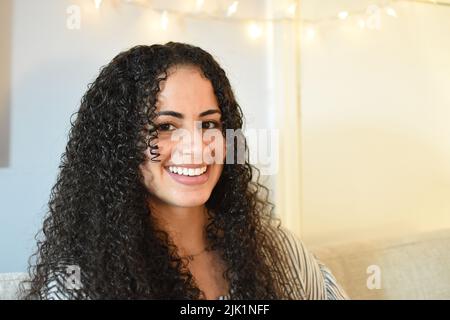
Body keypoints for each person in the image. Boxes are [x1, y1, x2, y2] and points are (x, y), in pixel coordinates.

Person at [24, 42, 348, 300]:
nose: (196, 146)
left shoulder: (279, 252)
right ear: (119, 144)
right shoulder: (80, 283)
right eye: (165, 126)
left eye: (209, 124)